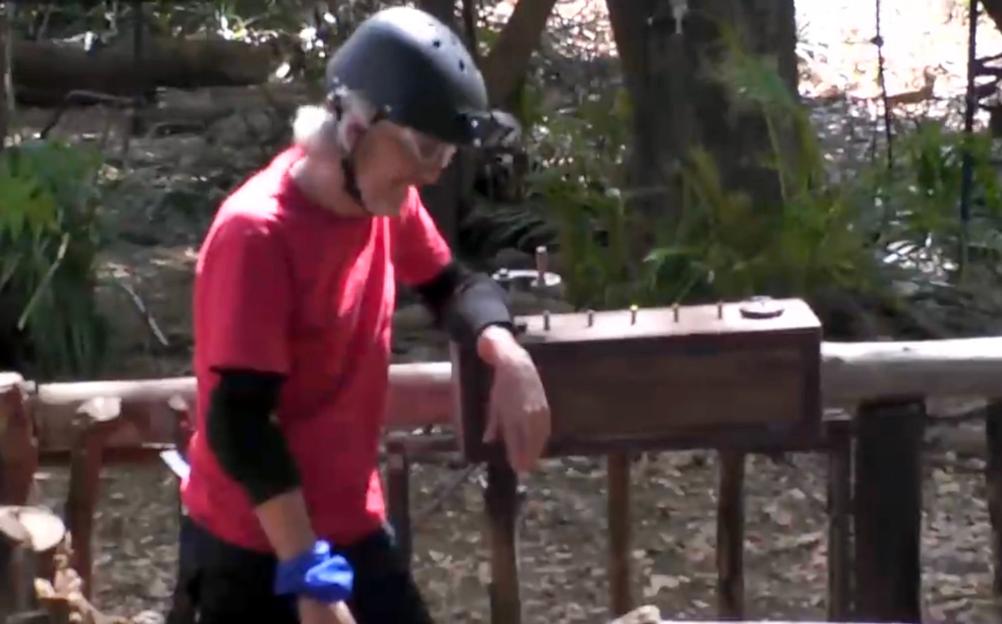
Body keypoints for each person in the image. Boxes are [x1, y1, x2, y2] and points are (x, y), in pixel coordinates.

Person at [168, 6, 551, 624]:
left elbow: (451, 285)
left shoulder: (384, 204)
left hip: (349, 526)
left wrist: (506, 352)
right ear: (356, 125)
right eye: (425, 149)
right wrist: (309, 577)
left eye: (446, 157)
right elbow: (240, 426)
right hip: (253, 548)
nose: (432, 173)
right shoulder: (257, 233)